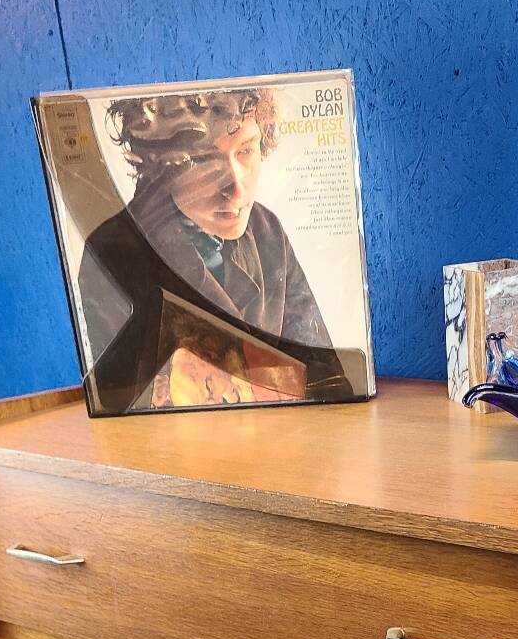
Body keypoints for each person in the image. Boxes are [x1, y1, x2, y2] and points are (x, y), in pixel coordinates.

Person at [76, 86, 352, 413]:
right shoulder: (113, 252)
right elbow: (121, 412)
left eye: (247, 151)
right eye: (205, 160)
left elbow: (329, 384)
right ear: (159, 165)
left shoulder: (267, 230)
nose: (236, 190)